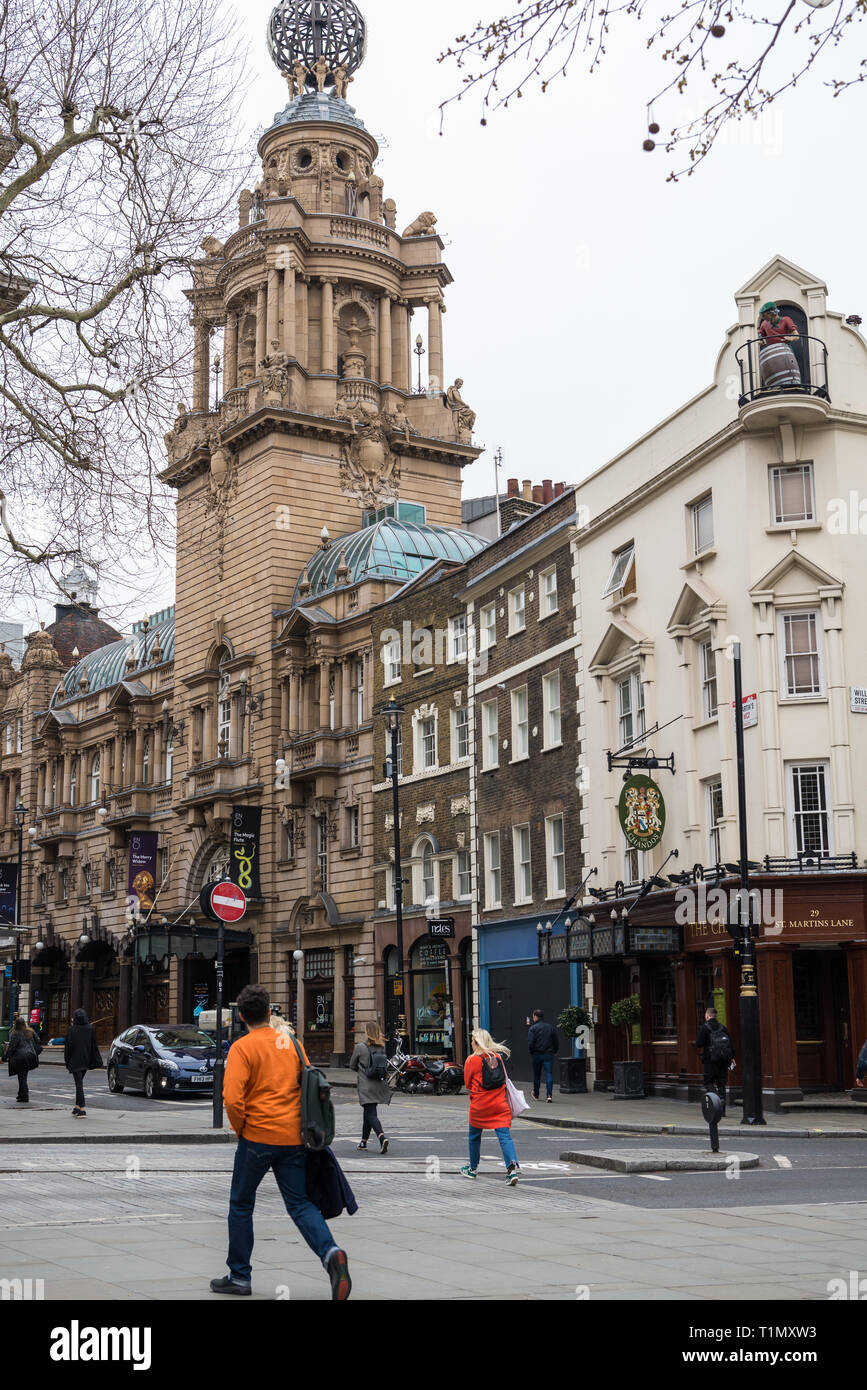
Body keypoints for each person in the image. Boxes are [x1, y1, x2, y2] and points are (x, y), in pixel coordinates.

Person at [211, 984, 350, 1300]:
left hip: (256, 1138)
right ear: (270, 1011)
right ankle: (331, 1253)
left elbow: (232, 1099)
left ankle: (239, 1277)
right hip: (293, 1138)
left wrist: (241, 1128)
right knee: (300, 1204)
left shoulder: (242, 1048)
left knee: (241, 1203)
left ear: (243, 1016)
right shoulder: (293, 1044)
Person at [460, 1028, 521, 1186]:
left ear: (477, 1042)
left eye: (472, 1042)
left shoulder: (472, 1060)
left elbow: (467, 1084)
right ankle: (511, 1169)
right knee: (504, 1136)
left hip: (480, 1106)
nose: (471, 1044)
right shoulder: (498, 1058)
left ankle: (472, 1169)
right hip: (499, 1105)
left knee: (474, 1137)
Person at [348, 1021, 391, 1153]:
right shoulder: (382, 1047)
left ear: (367, 1032)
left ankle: (381, 1137)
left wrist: (361, 1070)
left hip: (365, 1085)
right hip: (378, 1084)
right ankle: (363, 1142)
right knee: (368, 1112)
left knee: (371, 1113)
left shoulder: (360, 1047)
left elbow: (352, 1065)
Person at [63, 1008, 103, 1117]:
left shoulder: (72, 1029)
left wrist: (67, 1060)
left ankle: (82, 1108)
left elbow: (68, 1047)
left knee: (79, 1085)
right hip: (86, 1060)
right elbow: (93, 1045)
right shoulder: (89, 1028)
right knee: (79, 1083)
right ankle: (77, 1106)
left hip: (75, 1060)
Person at [695, 1007, 733, 1116]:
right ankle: (722, 1110)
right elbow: (730, 1044)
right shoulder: (723, 1028)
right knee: (721, 1083)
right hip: (723, 1061)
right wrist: (731, 1058)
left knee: (709, 1082)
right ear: (715, 1016)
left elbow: (699, 1043)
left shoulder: (705, 1028)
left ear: (707, 1016)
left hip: (710, 1060)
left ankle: (716, 1104)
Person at [4, 1015, 42, 1103]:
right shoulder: (30, 1031)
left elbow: (11, 1048)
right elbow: (38, 1040)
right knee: (23, 1076)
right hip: (31, 1056)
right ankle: (20, 1094)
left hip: (21, 1058)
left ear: (15, 1024)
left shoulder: (15, 1033)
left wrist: (4, 1058)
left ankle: (24, 1096)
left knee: (22, 1078)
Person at [527, 1008, 559, 1103]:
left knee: (537, 1075)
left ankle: (536, 1094)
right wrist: (555, 1051)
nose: (533, 1018)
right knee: (549, 1074)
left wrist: (531, 1052)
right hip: (548, 1054)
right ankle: (549, 1095)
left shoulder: (532, 1028)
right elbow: (556, 1041)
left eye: (533, 1017)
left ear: (536, 1016)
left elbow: (530, 1043)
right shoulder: (550, 1027)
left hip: (537, 1054)